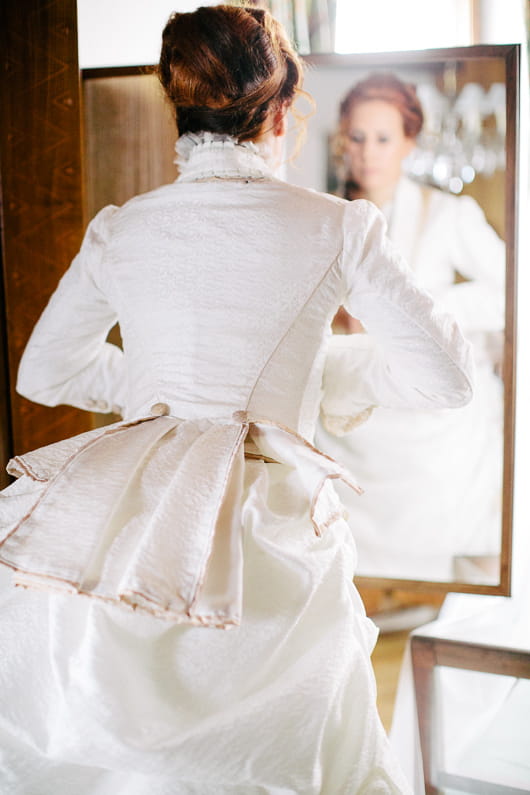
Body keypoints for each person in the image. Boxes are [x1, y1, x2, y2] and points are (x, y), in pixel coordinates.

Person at [0, 9, 473, 794]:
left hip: (139, 519)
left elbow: (44, 373)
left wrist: (159, 402)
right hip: (271, 532)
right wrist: (324, 380)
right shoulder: (338, 226)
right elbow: (445, 377)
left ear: (178, 109)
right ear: (282, 111)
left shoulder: (122, 229)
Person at [318, 72, 505, 585]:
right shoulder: (322, 216)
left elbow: (513, 288)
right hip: (352, 417)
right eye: (357, 138)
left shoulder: (450, 214)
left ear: (409, 143)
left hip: (430, 432)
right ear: (341, 140)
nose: (368, 153)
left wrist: (430, 311)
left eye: (383, 139)